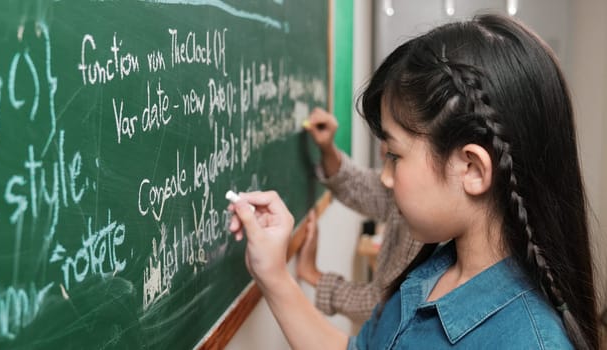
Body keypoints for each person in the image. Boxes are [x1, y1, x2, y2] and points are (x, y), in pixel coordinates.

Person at [228, 14, 598, 349]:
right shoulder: (429, 272)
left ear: (471, 169)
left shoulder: (528, 342)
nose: (385, 180)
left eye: (394, 155)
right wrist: (273, 275)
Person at [297, 107, 421, 323]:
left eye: (395, 156)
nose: (384, 178)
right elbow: (360, 187)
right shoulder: (410, 194)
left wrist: (312, 274)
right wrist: (327, 149)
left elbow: (385, 305)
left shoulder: (429, 234)